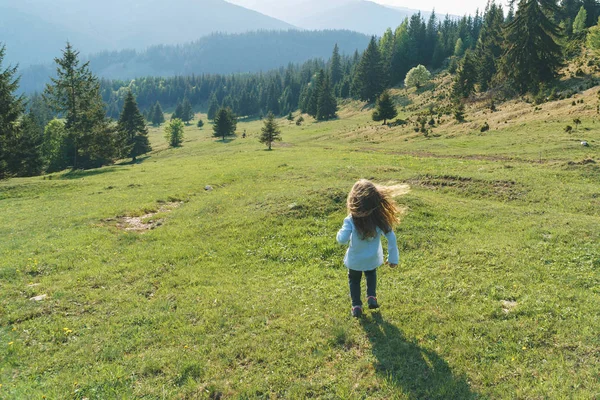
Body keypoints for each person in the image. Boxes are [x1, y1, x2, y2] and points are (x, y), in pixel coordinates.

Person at [336, 179, 400, 318]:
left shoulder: (350, 220)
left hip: (355, 260)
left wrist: (340, 232)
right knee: (371, 275)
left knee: (354, 280)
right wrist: (393, 257)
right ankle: (371, 297)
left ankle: (357, 306)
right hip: (372, 259)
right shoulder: (379, 220)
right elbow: (391, 237)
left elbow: (342, 240)